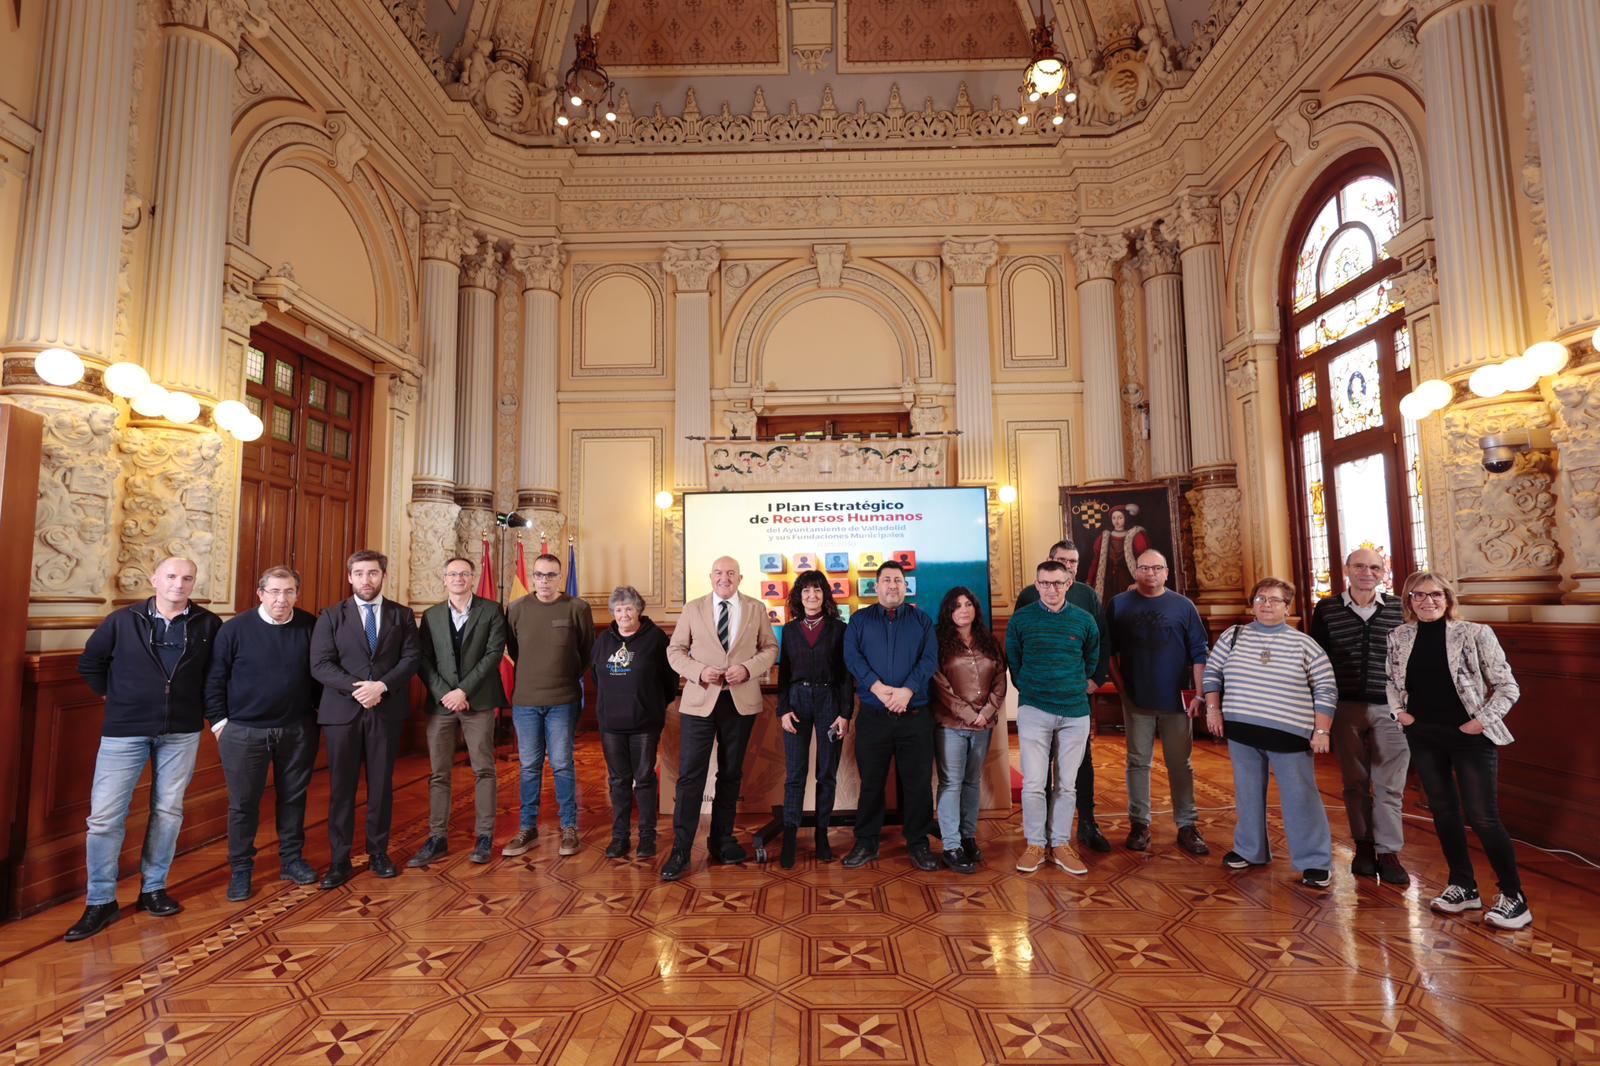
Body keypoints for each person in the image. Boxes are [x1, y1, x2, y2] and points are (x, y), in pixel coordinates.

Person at [67, 557, 221, 941]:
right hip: (125, 731)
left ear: (194, 583)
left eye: (186, 578)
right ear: (155, 579)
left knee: (168, 811)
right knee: (104, 818)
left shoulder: (208, 624)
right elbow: (90, 663)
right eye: (171, 576)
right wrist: (114, 696)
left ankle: (153, 889)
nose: (178, 584)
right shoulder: (123, 620)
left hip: (182, 731)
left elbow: (215, 675)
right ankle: (100, 901)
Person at [1386, 571, 1530, 929]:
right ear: (1408, 601)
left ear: (1448, 598)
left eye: (1435, 594)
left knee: (1482, 817)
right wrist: (1399, 713)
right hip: (1423, 734)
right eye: (1418, 595)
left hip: (1470, 736)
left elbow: (1507, 687)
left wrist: (1480, 722)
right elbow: (1391, 681)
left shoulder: (1475, 633)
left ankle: (1514, 896)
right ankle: (1463, 886)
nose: (1428, 601)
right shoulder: (1398, 636)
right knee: (1444, 812)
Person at [1203, 577, 1338, 887]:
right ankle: (1249, 850)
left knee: (1300, 798)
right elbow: (1212, 673)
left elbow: (1326, 689)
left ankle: (1315, 861)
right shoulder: (1233, 636)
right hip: (1242, 729)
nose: (1266, 604)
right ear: (1252, 604)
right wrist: (1213, 710)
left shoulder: (1305, 644)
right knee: (1247, 793)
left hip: (1289, 733)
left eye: (1275, 600)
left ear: (1287, 607)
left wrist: (1322, 730)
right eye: (1261, 598)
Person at [204, 565, 320, 903]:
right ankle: (241, 869)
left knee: (294, 798)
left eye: (288, 592)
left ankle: (291, 860)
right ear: (260, 594)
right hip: (243, 732)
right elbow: (215, 679)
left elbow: (321, 674)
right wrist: (219, 724)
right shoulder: (234, 629)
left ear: (297, 594)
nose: (281, 599)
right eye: (274, 592)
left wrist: (315, 717)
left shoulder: (310, 626)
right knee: (243, 805)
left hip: (297, 729)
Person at [662, 556, 780, 880]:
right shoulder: (693, 609)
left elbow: (770, 648)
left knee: (730, 774)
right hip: (700, 702)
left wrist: (748, 669)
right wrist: (700, 671)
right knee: (690, 777)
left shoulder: (756, 608)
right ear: (710, 576)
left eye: (730, 573)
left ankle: (722, 841)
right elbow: (675, 651)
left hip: (740, 703)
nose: (724, 577)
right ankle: (681, 850)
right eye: (718, 572)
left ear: (740, 578)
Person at [310, 550, 421, 889]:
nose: (366, 580)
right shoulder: (331, 615)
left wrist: (381, 687)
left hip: (385, 710)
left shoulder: (402, 615)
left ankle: (378, 852)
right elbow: (320, 664)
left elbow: (411, 658)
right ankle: (340, 860)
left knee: (381, 786)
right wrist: (360, 689)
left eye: (372, 573)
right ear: (349, 577)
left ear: (383, 576)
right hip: (342, 712)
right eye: (359, 573)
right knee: (341, 788)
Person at [1310, 548, 1408, 883]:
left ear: (1383, 572)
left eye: (1375, 567)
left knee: (1390, 785)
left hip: (1391, 708)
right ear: (1346, 569)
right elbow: (1318, 659)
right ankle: (1364, 845)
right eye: (1360, 566)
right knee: (1354, 782)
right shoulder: (1326, 609)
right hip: (1344, 706)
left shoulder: (1399, 608)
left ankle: (1389, 852)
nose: (1367, 573)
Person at [1105, 549, 1211, 856]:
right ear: (1135, 571)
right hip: (1136, 698)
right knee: (1138, 761)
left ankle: (1187, 824)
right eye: (1143, 568)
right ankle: (1139, 824)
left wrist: (1200, 694)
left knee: (1180, 763)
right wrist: (1121, 688)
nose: (1150, 573)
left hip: (1177, 699)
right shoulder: (1119, 604)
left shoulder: (1183, 606)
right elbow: (1108, 650)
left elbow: (1199, 652)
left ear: (1166, 572)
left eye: (1156, 568)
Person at [842, 561, 941, 871]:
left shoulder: (922, 620)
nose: (892, 585)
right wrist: (877, 687)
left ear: (905, 586)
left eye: (898, 580)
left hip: (915, 714)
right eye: (886, 580)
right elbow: (852, 658)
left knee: (918, 784)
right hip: (874, 716)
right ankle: (866, 842)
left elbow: (929, 659)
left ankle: (918, 842)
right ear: (876, 586)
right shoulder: (859, 621)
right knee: (871, 783)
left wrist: (907, 690)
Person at [1014, 539, 1111, 851]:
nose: (1068, 567)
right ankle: (1040, 833)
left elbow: (1100, 640)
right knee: (1038, 772)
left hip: (1074, 700)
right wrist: (1026, 683)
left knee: (1080, 766)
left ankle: (1086, 823)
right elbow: (1017, 648)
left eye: (1073, 562)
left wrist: (1093, 679)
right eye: (1063, 561)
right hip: (1038, 699)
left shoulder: (1087, 596)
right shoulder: (1029, 596)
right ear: (1049, 562)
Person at [412, 556, 508, 869]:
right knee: (439, 773)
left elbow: (493, 654)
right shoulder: (431, 615)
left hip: (478, 701)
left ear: (473, 578)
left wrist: (463, 691)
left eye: (464, 573)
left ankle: (484, 837)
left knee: (484, 769)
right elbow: (423, 659)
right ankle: (437, 838)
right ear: (444, 578)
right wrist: (446, 694)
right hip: (441, 704)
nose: (458, 578)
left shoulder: (491, 610)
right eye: (452, 574)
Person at [503, 553, 594, 859]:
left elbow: (586, 652)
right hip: (526, 702)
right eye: (539, 575)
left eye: (551, 575)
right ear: (533, 577)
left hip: (563, 701)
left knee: (562, 764)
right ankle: (528, 829)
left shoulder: (577, 608)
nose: (544, 581)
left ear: (560, 577)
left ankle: (569, 827)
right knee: (529, 766)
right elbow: (514, 649)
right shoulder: (516, 608)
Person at [592, 586, 677, 860]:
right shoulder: (603, 641)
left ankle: (647, 837)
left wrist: (651, 705)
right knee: (618, 781)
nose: (623, 614)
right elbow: (596, 677)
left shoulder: (656, 639)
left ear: (638, 610)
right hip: (611, 724)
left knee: (644, 779)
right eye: (618, 609)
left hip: (644, 723)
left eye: (629, 608)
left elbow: (670, 681)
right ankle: (620, 837)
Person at [775, 570, 853, 869]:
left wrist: (845, 713)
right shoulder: (789, 630)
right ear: (799, 596)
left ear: (825, 595)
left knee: (826, 773)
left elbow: (845, 676)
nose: (812, 595)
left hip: (829, 701)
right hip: (797, 701)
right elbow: (784, 674)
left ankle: (822, 835)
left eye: (817, 590)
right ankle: (790, 837)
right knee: (795, 774)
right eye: (806, 590)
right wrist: (783, 709)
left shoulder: (839, 629)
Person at [932, 586, 1007, 875]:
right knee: (951, 783)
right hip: (950, 724)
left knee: (972, 782)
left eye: (968, 604)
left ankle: (967, 837)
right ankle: (951, 846)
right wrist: (968, 714)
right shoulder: (939, 642)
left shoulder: (989, 641)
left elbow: (1000, 678)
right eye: (957, 606)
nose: (963, 610)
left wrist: (985, 713)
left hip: (983, 725)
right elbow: (939, 683)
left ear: (975, 608)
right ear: (948, 612)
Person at [1085, 505, 1150, 604]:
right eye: (1114, 518)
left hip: (1127, 578)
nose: (1116, 521)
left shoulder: (1135, 536)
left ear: (1126, 518)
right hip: (1107, 580)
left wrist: (1139, 582)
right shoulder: (1104, 537)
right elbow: (1096, 561)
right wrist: (1089, 581)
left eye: (1120, 518)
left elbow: (1144, 561)